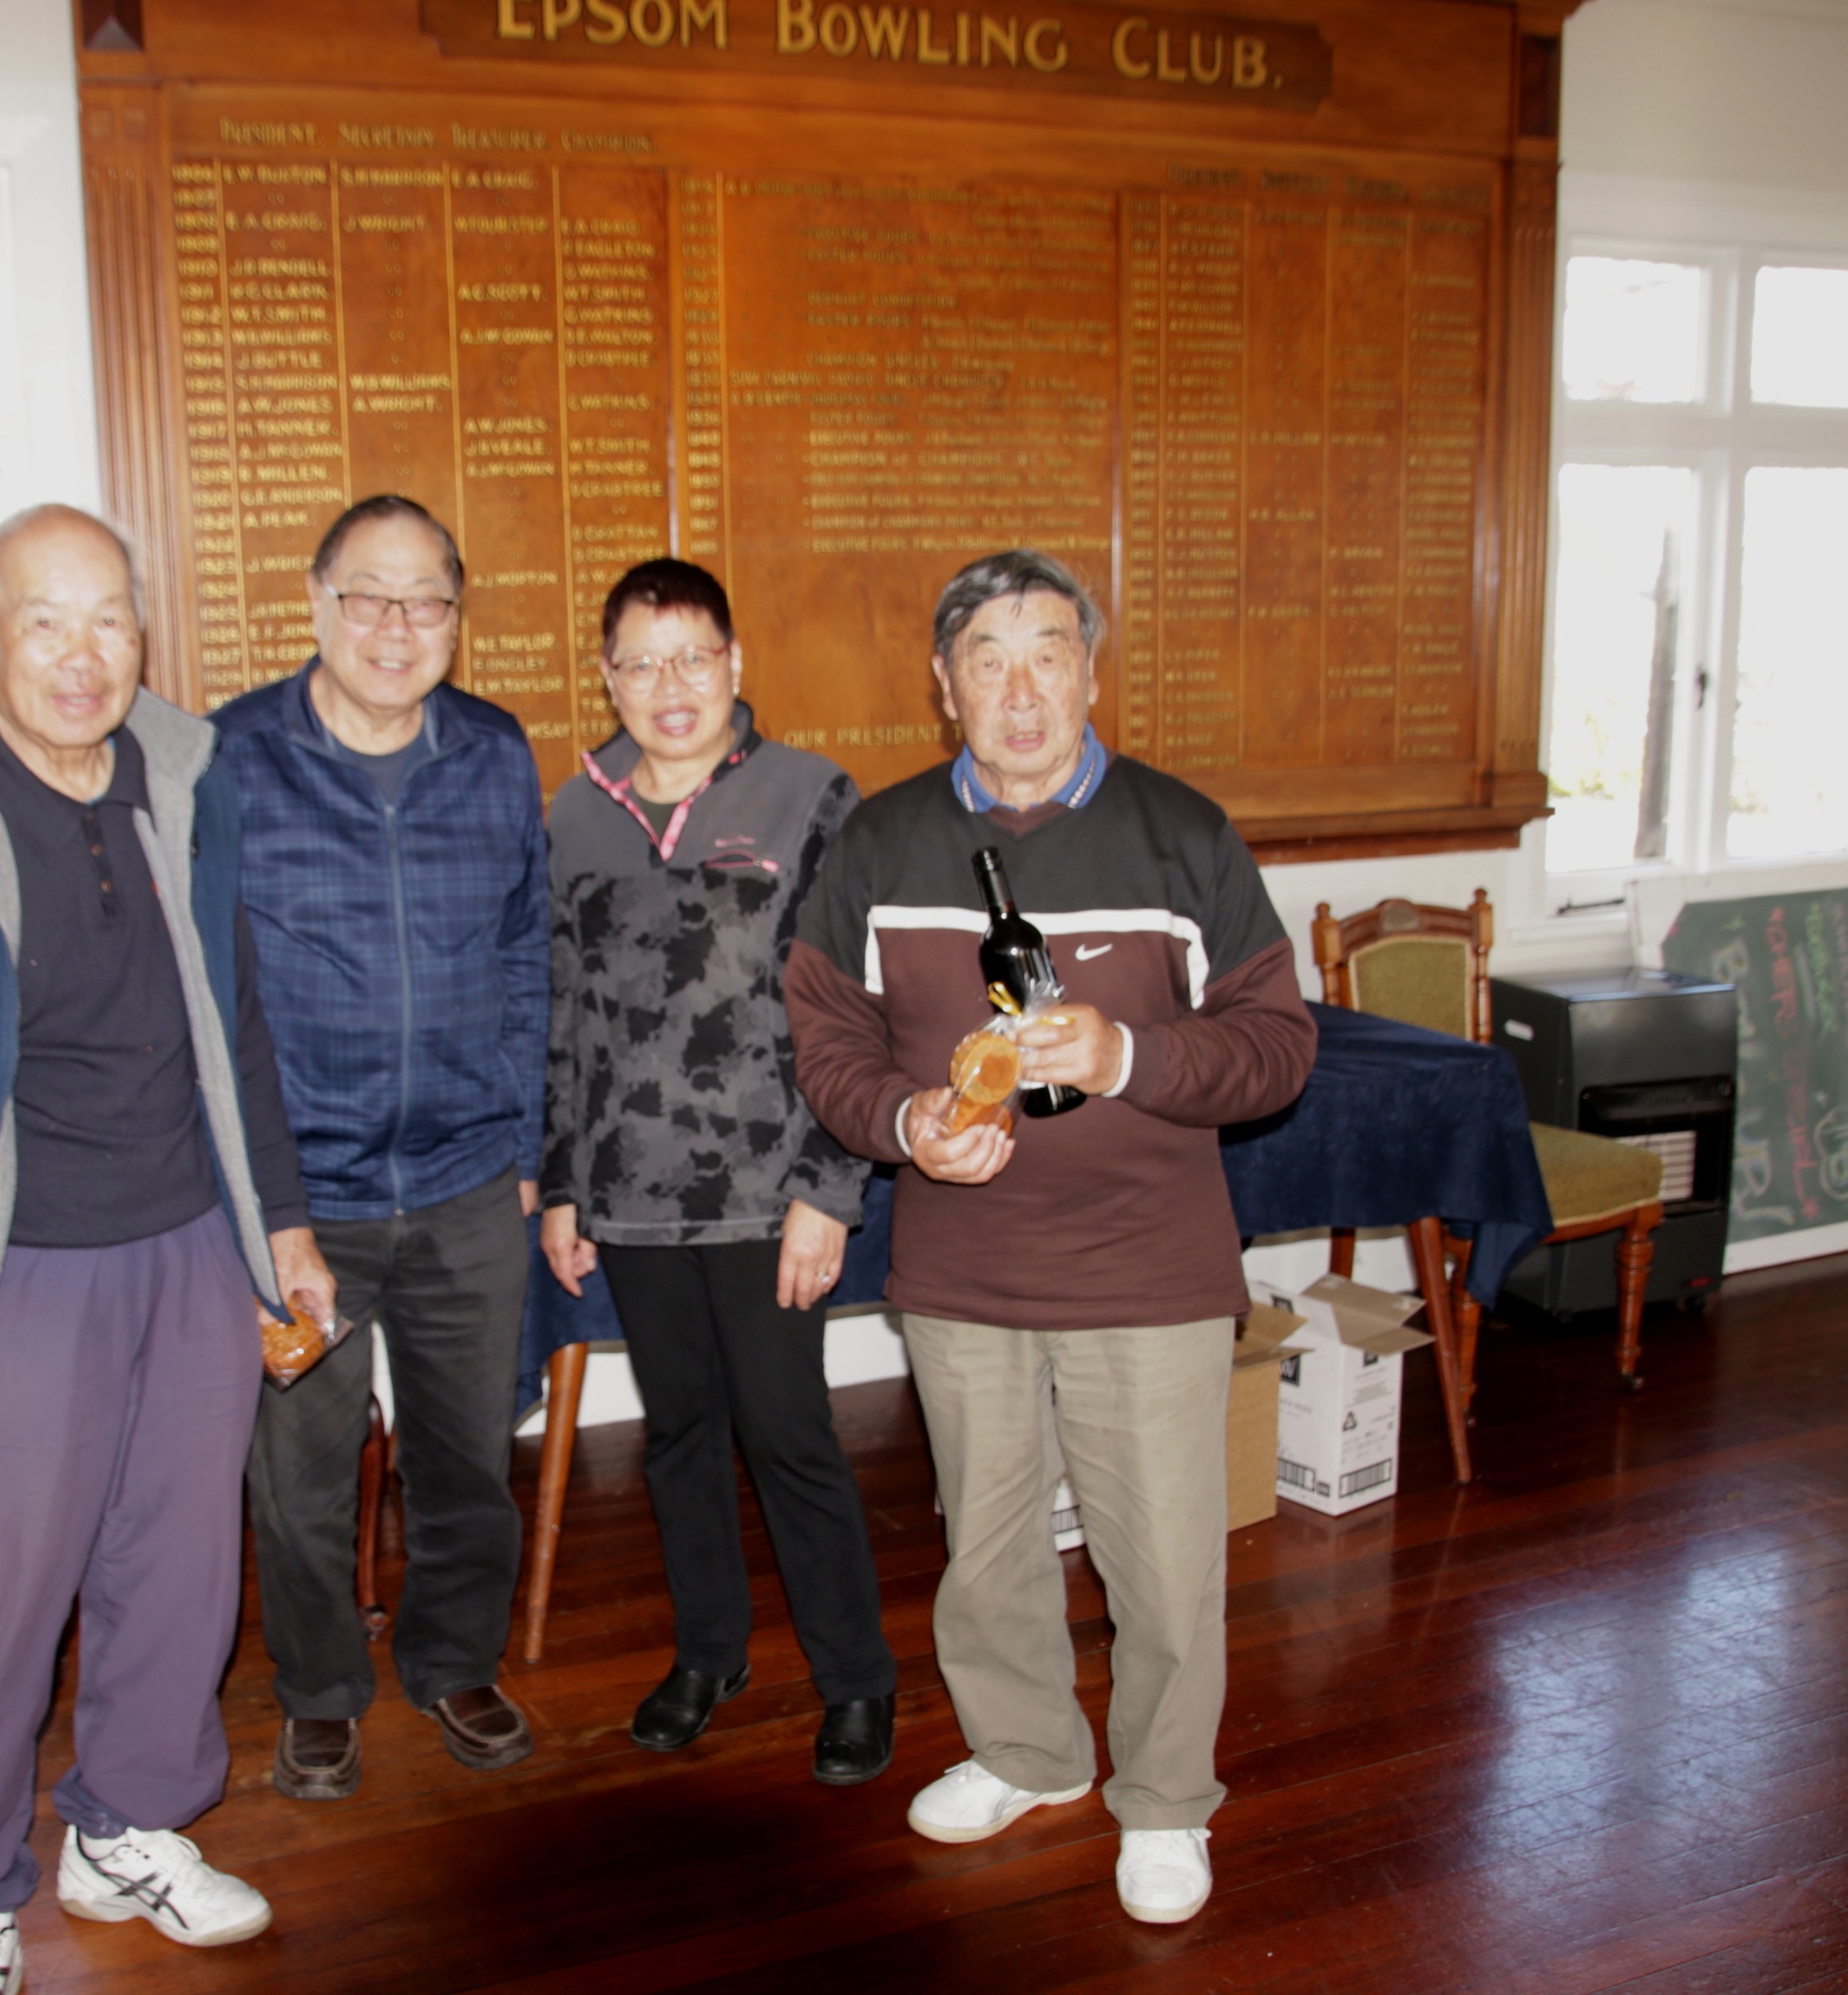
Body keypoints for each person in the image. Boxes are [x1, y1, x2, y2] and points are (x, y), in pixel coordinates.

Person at [0, 503, 335, 1995]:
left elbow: (236, 1023)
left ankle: (126, 1829)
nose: (82, 656)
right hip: (10, 1268)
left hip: (191, 1244)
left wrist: (281, 1222)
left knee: (177, 1571)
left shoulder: (187, 781)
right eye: (45, 621)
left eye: (109, 619)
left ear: (141, 634)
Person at [783, 549, 1314, 1928]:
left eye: (1048, 655)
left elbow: (1277, 1046)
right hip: (963, 1271)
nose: (1020, 693)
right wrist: (904, 1122)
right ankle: (1028, 1753)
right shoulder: (880, 844)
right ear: (943, 682)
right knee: (989, 1544)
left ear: (1090, 669)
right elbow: (825, 1036)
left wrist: (1132, 1054)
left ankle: (1166, 1798)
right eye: (989, 660)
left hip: (1149, 1266)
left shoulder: (1183, 834)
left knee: (1165, 1559)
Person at [535, 558, 897, 1783]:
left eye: (693, 657)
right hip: (632, 1194)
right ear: (608, 677)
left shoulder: (808, 796)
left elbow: (852, 1008)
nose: (670, 686)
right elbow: (565, 1014)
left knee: (789, 1433)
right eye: (641, 664)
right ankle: (709, 1651)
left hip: (767, 1191)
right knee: (679, 1434)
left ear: (735, 664)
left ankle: (856, 1678)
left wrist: (828, 1189)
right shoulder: (576, 812)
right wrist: (564, 1183)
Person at [212, 494, 550, 1801]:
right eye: (368, 596)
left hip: (468, 1181)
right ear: (315, 602)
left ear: (458, 619)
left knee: (466, 1457)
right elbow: (213, 992)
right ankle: (318, 1691)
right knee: (300, 1475)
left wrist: (523, 1136)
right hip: (306, 1199)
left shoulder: (494, 751)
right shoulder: (232, 760)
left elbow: (524, 956)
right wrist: (259, 1198)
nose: (396, 628)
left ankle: (455, 1659)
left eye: (427, 602)